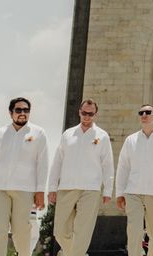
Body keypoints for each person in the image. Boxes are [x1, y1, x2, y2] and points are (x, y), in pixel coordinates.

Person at [0, 97, 49, 256]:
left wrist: (40, 191)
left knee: (22, 232)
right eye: (18, 110)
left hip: (25, 190)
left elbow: (42, 165)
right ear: (11, 113)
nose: (22, 113)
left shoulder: (39, 133)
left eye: (26, 110)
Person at [48, 99, 114, 256]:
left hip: (91, 189)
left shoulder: (102, 136)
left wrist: (108, 190)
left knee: (82, 231)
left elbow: (108, 165)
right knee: (59, 231)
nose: (87, 117)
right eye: (84, 113)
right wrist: (51, 188)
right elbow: (57, 162)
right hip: (66, 187)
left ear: (95, 115)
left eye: (90, 114)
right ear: (79, 112)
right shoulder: (68, 134)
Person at [116, 104, 153, 256]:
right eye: (141, 112)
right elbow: (123, 167)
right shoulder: (130, 140)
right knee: (134, 231)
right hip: (133, 193)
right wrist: (120, 193)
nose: (144, 115)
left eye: (148, 112)